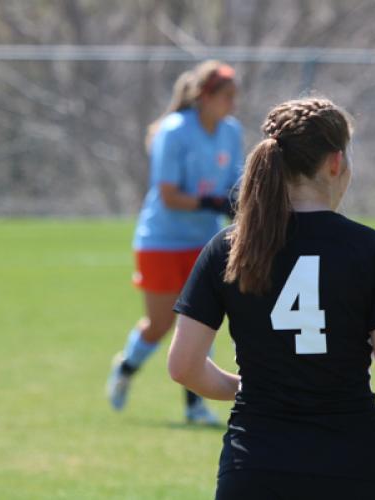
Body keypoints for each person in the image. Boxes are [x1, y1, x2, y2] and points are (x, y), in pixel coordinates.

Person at [168, 97, 375, 499]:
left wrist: (244, 387)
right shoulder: (372, 251)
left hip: (254, 469)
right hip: (353, 468)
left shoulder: (229, 248)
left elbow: (184, 365)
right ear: (335, 162)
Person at [106, 60, 244, 424]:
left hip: (205, 241)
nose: (233, 103)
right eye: (227, 96)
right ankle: (126, 367)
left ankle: (195, 405)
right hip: (162, 240)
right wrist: (213, 202)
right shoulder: (175, 130)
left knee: (202, 320)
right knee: (160, 323)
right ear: (205, 96)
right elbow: (168, 195)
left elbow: (235, 185)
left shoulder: (231, 131)